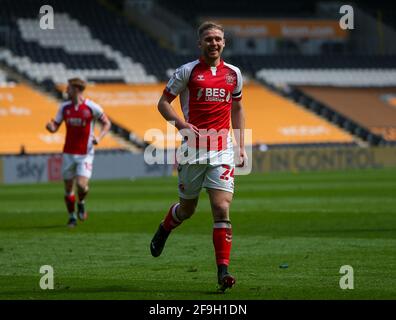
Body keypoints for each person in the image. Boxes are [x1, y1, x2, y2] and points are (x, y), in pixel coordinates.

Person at [150, 21, 247, 292]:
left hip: (222, 149)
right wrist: (181, 124)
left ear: (224, 43)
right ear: (200, 44)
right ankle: (165, 227)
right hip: (192, 149)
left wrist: (240, 145)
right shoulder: (187, 71)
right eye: (208, 39)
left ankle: (223, 272)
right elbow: (162, 103)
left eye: (218, 39)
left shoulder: (234, 74)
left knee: (221, 207)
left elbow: (238, 108)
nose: (213, 43)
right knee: (188, 210)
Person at [46, 78, 111, 228]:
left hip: (85, 153)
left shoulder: (91, 107)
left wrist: (99, 137)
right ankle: (72, 217)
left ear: (76, 89)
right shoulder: (64, 108)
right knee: (68, 188)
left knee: (81, 186)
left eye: (68, 88)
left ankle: (81, 202)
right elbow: (55, 126)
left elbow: (107, 123)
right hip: (68, 153)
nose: (66, 90)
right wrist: (50, 127)